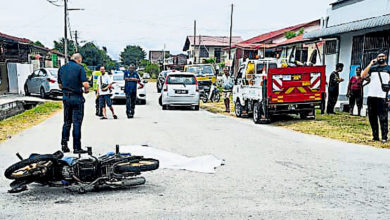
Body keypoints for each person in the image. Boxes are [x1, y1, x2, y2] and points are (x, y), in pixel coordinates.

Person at [58, 53, 89, 154]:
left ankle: (64, 145)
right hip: (77, 98)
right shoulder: (80, 68)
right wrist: (86, 90)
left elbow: (60, 85)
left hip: (66, 98)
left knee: (67, 122)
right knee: (76, 123)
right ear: (79, 59)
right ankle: (77, 147)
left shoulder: (62, 69)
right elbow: (85, 84)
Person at [362, 52, 390, 143]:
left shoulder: (388, 68)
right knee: (372, 117)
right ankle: (375, 136)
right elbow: (363, 76)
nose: (381, 58)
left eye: (382, 56)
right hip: (371, 96)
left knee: (383, 118)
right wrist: (370, 63)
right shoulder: (373, 68)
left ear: (385, 57)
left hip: (382, 96)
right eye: (379, 57)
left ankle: (384, 137)